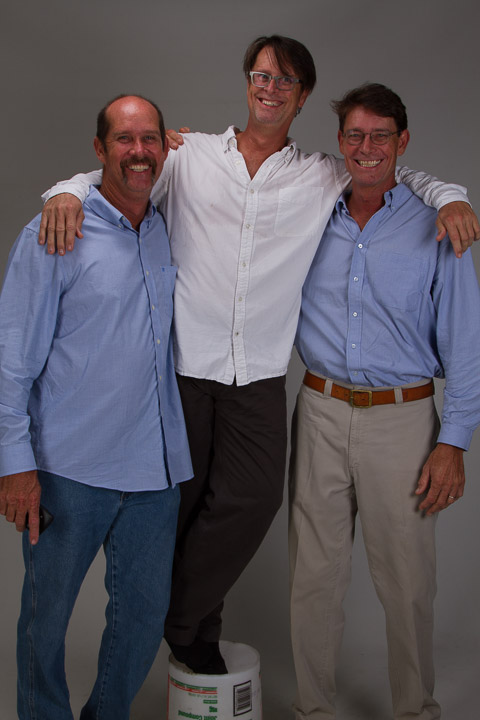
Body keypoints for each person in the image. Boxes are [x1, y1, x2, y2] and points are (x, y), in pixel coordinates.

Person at [37, 36, 480, 675]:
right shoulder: (189, 158)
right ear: (249, 83)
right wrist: (66, 191)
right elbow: (125, 168)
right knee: (185, 511)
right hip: (184, 374)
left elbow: (387, 170)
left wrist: (451, 195)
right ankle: (198, 635)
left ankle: (172, 615)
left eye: (285, 80)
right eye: (262, 75)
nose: (270, 88)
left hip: (260, 379)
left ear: (302, 97)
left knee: (250, 502)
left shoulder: (322, 173)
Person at [289, 83, 480, 720]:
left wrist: (453, 443)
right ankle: (313, 711)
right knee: (312, 579)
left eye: (380, 136)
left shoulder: (439, 225)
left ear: (402, 142)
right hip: (319, 412)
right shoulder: (311, 214)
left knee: (407, 584)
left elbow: (467, 344)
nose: (366, 148)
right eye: (354, 135)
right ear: (340, 142)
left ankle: (415, 710)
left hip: (404, 423)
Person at [0, 95, 192, 720]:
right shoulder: (57, 231)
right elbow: (12, 359)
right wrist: (14, 463)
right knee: (45, 621)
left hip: (154, 472)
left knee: (142, 619)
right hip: (67, 467)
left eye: (149, 139)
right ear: (100, 149)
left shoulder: (165, 224)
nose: (139, 152)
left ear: (163, 147)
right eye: (124, 139)